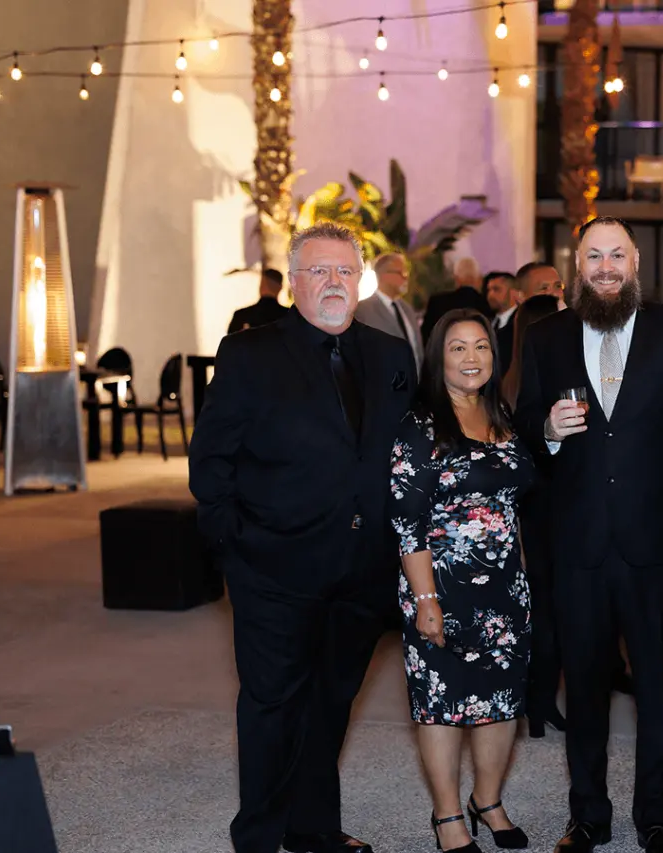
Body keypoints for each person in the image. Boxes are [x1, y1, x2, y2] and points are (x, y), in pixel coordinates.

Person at [189, 222, 416, 853]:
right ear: (294, 282)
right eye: (319, 271)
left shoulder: (390, 355)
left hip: (362, 571)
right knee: (271, 704)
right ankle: (259, 837)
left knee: (332, 701)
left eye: (345, 271)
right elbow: (210, 460)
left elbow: (406, 451)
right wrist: (234, 546)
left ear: (360, 280)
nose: (333, 283)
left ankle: (311, 827)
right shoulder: (249, 353)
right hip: (273, 568)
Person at [514, 216, 663, 853]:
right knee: (584, 689)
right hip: (578, 547)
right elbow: (523, 422)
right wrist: (548, 429)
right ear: (576, 264)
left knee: (659, 691)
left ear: (636, 261)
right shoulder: (546, 336)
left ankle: (656, 818)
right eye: (594, 256)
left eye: (617, 255)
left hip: (659, 548)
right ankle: (587, 816)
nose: (606, 268)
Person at [390, 309, 536, 853]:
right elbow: (406, 522)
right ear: (438, 358)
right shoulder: (420, 426)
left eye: (481, 346)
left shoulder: (501, 414)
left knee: (502, 700)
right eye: (458, 348)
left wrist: (522, 578)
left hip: (505, 589)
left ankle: (488, 801)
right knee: (442, 702)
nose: (472, 358)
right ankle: (448, 815)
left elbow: (511, 504)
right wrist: (425, 600)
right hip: (441, 589)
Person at [499, 292, 568, 739]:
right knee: (551, 611)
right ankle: (541, 702)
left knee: (534, 610)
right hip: (546, 511)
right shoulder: (545, 386)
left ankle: (533, 702)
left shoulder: (504, 385)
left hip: (520, 511)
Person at [355, 252, 424, 372]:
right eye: (401, 273)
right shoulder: (363, 310)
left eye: (406, 273)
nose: (406, 278)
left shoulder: (407, 309)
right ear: (384, 275)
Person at [424, 258, 494, 342]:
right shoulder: (489, 304)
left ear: (456, 278)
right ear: (479, 279)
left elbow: (426, 337)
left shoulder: (437, 303)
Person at [228, 268, 289, 334]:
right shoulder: (290, 316)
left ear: (261, 286)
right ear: (280, 288)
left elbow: (230, 339)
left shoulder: (241, 316)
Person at [484, 272, 519, 373]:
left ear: (513, 292)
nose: (490, 295)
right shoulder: (487, 322)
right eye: (489, 290)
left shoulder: (520, 322)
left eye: (496, 289)